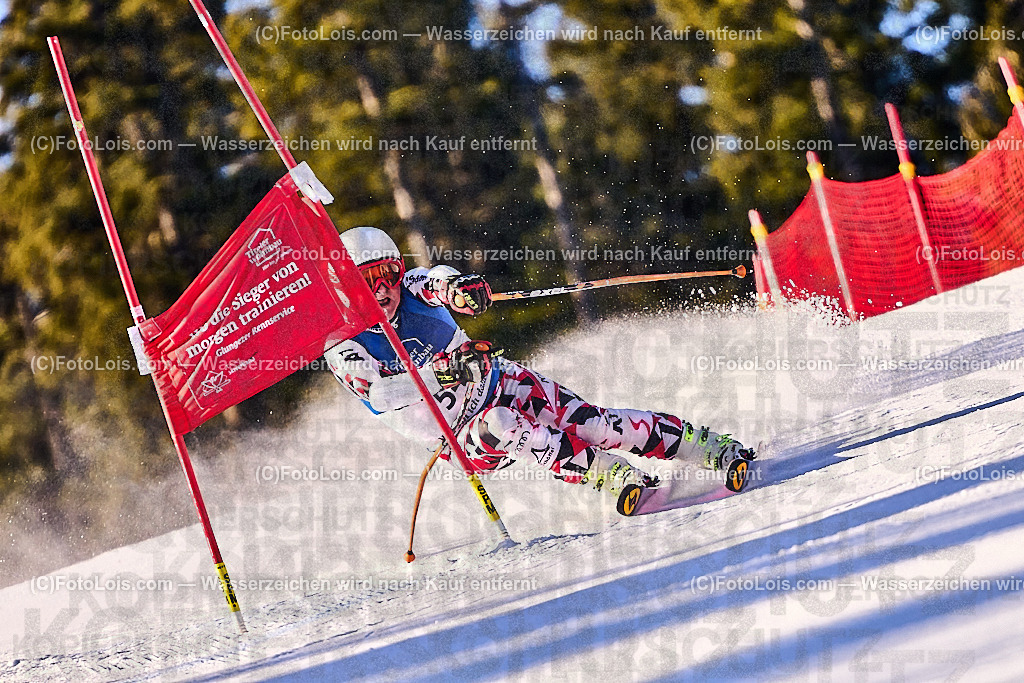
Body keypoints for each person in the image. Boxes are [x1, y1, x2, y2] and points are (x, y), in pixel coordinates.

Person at [324, 227, 754, 511]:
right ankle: (607, 474)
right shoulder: (343, 343)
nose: (383, 289)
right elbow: (380, 394)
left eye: (389, 273)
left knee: (592, 424)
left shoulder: (413, 287)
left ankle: (709, 448)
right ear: (348, 284)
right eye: (368, 280)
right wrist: (446, 373)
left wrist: (461, 290)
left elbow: (438, 281)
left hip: (498, 381)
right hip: (459, 437)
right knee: (500, 423)